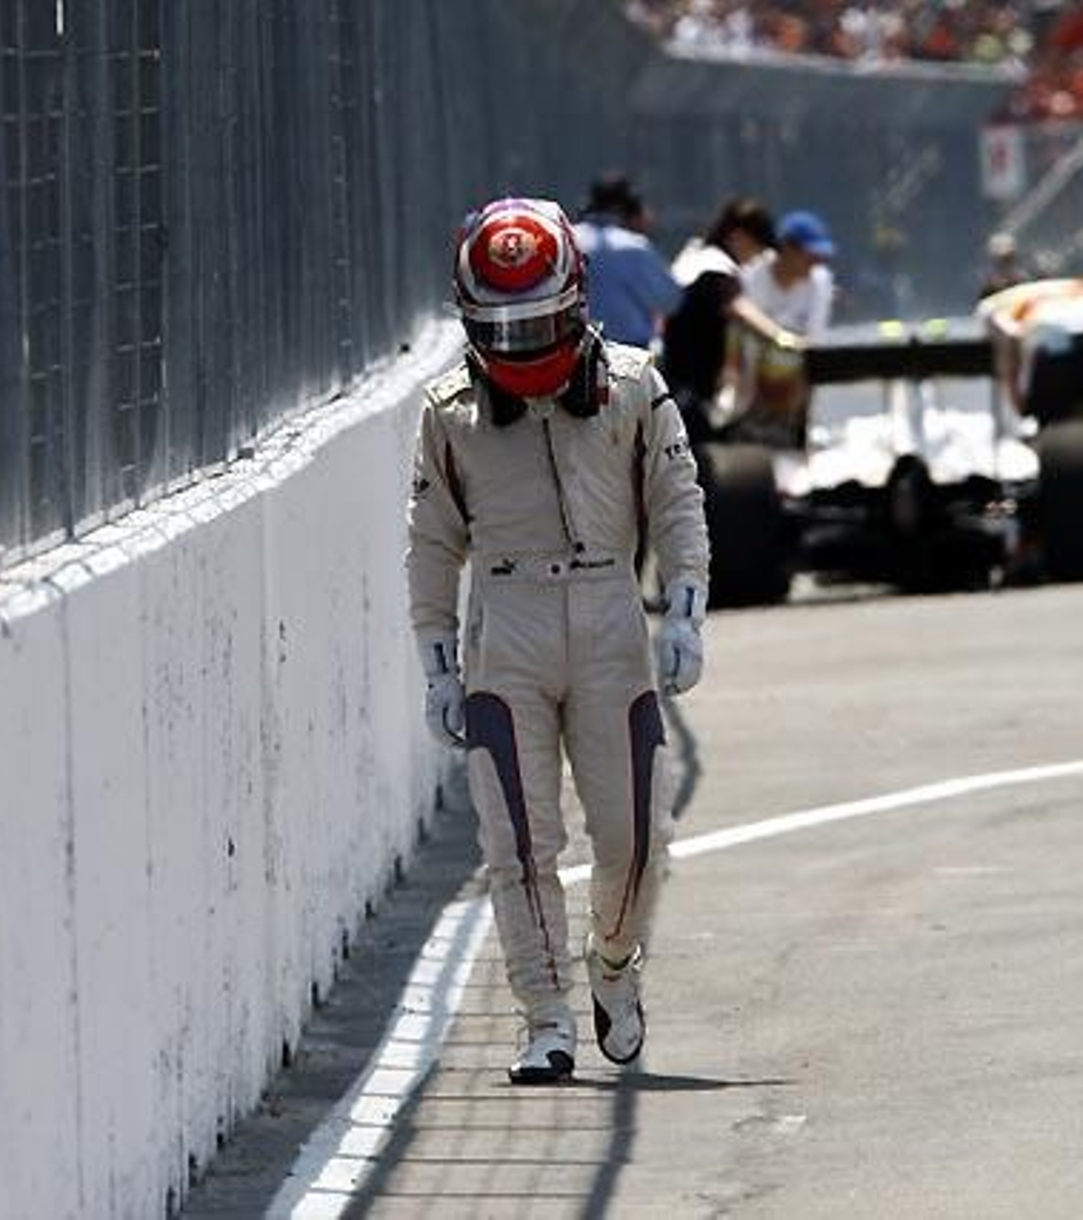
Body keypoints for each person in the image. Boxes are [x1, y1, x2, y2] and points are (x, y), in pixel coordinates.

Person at [406, 197, 710, 1084]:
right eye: (504, 325)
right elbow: (429, 543)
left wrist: (684, 609)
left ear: (575, 299)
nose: (523, 340)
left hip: (612, 619)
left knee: (638, 840)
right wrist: (436, 664)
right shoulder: (447, 413)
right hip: (506, 631)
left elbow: (678, 501)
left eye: (538, 319)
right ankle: (543, 1017)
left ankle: (614, 964)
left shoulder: (634, 385)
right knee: (519, 843)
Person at [660, 196, 798, 441]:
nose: (756, 258)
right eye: (757, 247)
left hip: (672, 382)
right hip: (687, 389)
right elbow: (739, 308)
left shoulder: (693, 257)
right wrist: (784, 339)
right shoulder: (715, 268)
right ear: (739, 236)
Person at [980, 276, 1083, 426]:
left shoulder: (994, 305)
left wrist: (1021, 403)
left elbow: (1010, 344)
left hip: (1055, 353)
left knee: (1046, 421)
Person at [573, 172, 683, 349]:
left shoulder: (568, 240)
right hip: (629, 356)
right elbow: (670, 300)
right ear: (632, 208)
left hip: (575, 354)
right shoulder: (635, 246)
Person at [740, 208, 837, 339]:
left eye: (819, 257)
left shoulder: (821, 281)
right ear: (787, 248)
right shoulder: (749, 275)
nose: (815, 263)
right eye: (811, 256)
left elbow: (814, 339)